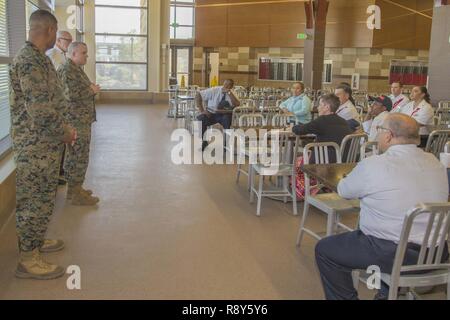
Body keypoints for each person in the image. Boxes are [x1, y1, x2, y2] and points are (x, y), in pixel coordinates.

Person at [315, 113, 449, 300]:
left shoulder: (374, 164)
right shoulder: (435, 162)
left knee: (325, 250)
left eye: (379, 130)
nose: (377, 135)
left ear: (388, 135)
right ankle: (385, 293)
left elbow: (344, 191)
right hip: (436, 253)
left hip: (392, 254)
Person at [9, 10, 77, 280]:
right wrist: (64, 132)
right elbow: (39, 109)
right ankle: (28, 259)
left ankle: (35, 242)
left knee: (44, 197)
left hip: (46, 145)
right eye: (56, 32)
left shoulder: (41, 60)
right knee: (33, 200)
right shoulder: (28, 62)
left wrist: (65, 128)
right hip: (34, 147)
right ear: (49, 30)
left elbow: (55, 100)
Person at [58, 42, 100, 206]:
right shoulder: (67, 70)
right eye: (84, 53)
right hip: (75, 121)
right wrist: (92, 90)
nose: (86, 56)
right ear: (73, 53)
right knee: (78, 156)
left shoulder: (75, 69)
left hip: (80, 120)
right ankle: (74, 194)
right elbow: (70, 95)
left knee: (77, 156)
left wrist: (90, 89)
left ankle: (76, 188)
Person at [291, 94, 353, 198]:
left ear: (327, 107)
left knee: (297, 162)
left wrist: (292, 127)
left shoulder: (322, 120)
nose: (317, 107)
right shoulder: (344, 121)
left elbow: (300, 130)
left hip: (323, 163)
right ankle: (324, 188)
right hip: (343, 163)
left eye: (320, 105)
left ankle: (305, 192)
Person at [46, 31, 72, 186]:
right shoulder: (52, 55)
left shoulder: (61, 54)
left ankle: (60, 171)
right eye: (67, 40)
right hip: (54, 103)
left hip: (61, 102)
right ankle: (56, 173)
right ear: (58, 40)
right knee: (57, 139)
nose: (69, 43)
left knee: (62, 139)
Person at [196, 79, 240, 150]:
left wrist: (229, 93)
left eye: (228, 85)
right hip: (212, 114)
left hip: (224, 115)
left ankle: (226, 144)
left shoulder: (232, 93)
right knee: (201, 119)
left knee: (227, 119)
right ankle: (204, 141)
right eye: (225, 84)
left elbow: (237, 104)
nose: (225, 86)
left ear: (231, 87)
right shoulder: (214, 90)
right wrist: (202, 111)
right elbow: (198, 94)